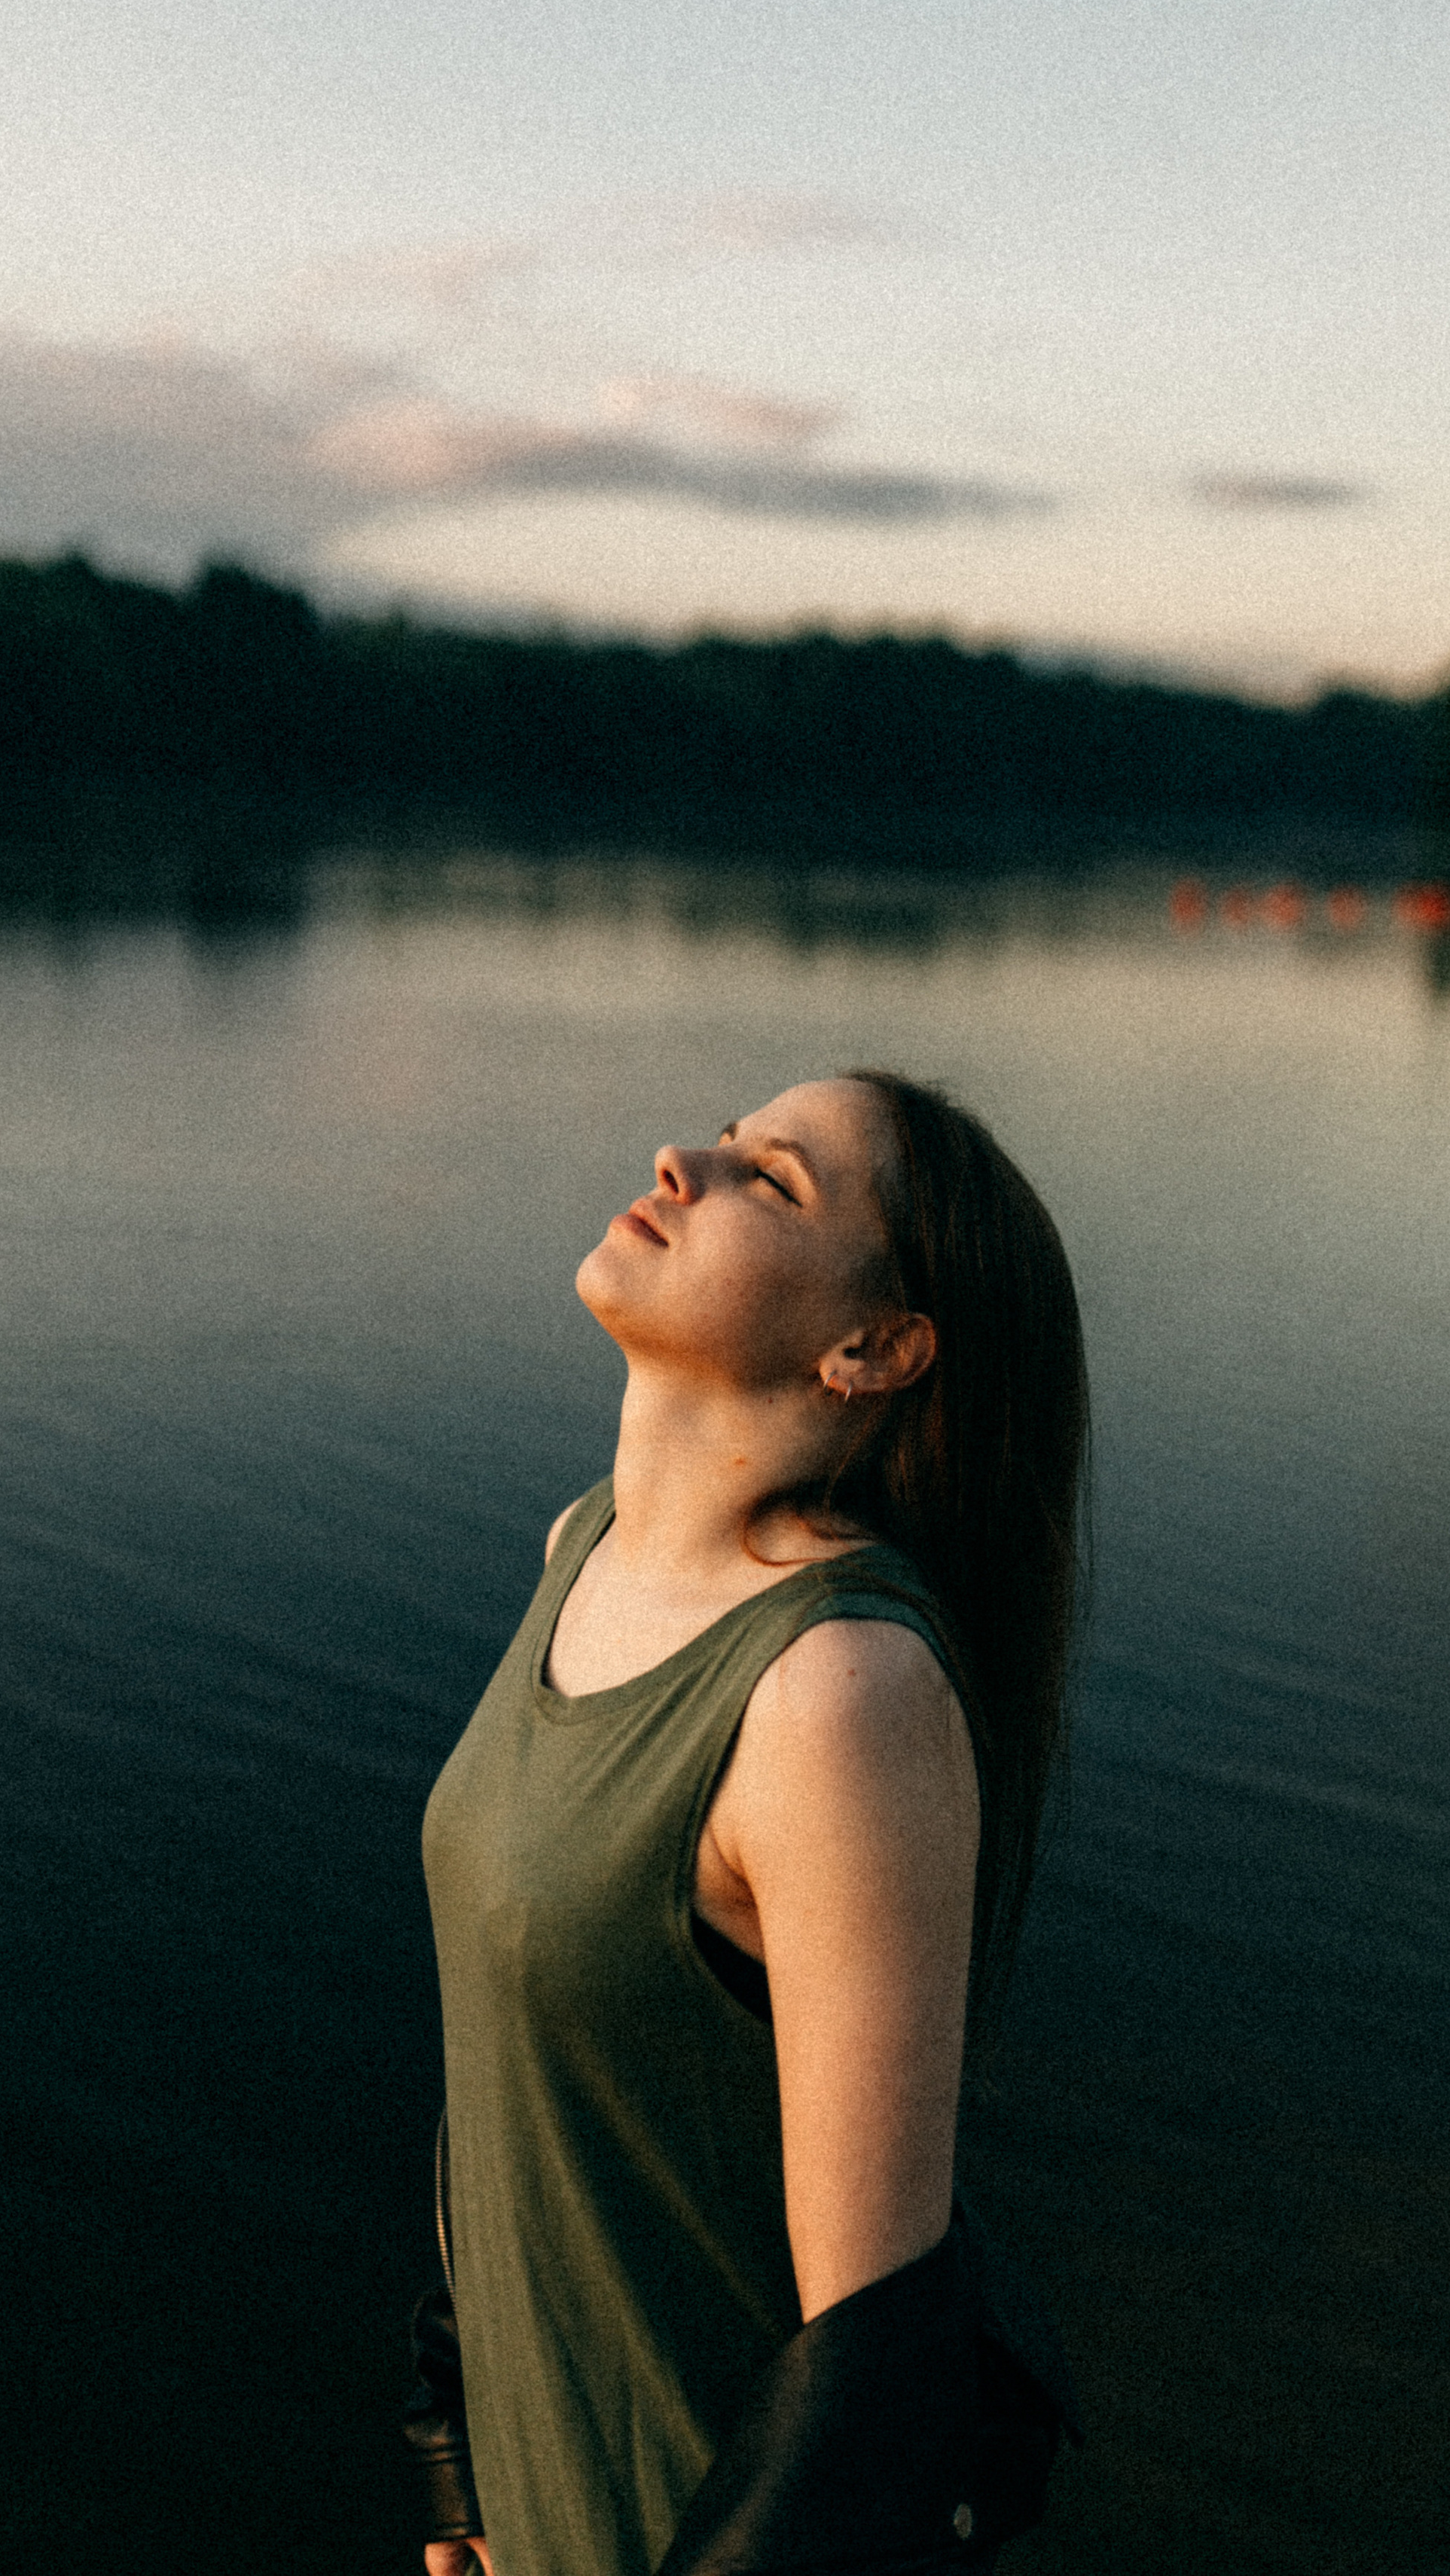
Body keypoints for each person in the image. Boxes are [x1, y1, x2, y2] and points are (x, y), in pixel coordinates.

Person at [411, 1070, 1088, 2576]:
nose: (684, 1157)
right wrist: (459, 2462)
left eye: (769, 1182)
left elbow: (877, 2357)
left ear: (873, 1348)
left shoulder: (836, 1694)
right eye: (725, 1136)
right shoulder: (580, 1550)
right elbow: (516, 2050)